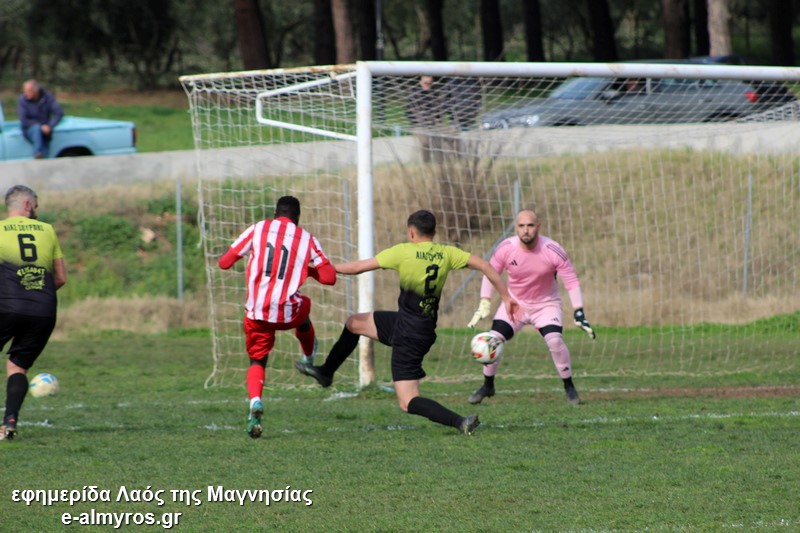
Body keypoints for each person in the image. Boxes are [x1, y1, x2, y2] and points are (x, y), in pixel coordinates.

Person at [295, 209, 520, 436]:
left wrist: (318, 270)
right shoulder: (447, 253)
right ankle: (326, 372)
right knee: (354, 323)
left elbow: (357, 268)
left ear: (411, 232)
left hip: (409, 334)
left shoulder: (403, 252)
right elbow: (485, 266)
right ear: (434, 232)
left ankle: (460, 421)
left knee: (408, 401)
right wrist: (506, 297)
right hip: (414, 325)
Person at [218, 196, 336, 439]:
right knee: (304, 309)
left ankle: (255, 401)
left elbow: (224, 263)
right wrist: (308, 270)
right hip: (288, 312)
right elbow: (329, 278)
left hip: (257, 313)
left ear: (275, 214)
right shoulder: (307, 238)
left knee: (257, 361)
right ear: (297, 217)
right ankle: (308, 357)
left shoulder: (257, 229)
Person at [466, 210, 596, 406]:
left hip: (546, 305)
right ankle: (487, 385)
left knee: (555, 340)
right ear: (516, 227)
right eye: (521, 226)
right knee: (493, 340)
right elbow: (490, 273)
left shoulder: (552, 249)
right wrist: (485, 300)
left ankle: (569, 386)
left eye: (530, 225)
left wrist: (579, 310)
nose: (526, 230)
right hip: (515, 305)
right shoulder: (506, 248)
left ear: (538, 227)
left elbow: (571, 281)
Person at [1, 185, 67, 441]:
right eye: (36, 206)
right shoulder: (48, 230)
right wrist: (35, 294)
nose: (37, 210)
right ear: (27, 205)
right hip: (43, 309)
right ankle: (9, 422)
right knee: (17, 366)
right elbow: (60, 278)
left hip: (6, 306)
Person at [17, 80, 64, 159]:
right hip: (29, 129)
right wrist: (40, 126)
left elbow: (59, 113)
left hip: (45, 130)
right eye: (25, 91)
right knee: (37, 129)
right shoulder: (23, 100)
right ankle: (38, 153)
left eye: (29, 91)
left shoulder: (47, 97)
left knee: (43, 136)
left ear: (36, 91)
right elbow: (23, 120)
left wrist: (50, 126)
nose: (26, 93)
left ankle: (42, 157)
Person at [405, 75, 445, 163]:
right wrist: (417, 123)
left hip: (433, 124)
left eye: (429, 83)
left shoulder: (435, 95)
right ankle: (426, 163)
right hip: (419, 125)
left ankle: (440, 164)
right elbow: (409, 113)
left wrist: (438, 121)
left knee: (438, 143)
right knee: (425, 142)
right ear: (420, 82)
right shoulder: (413, 96)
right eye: (425, 83)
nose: (427, 85)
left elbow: (440, 111)